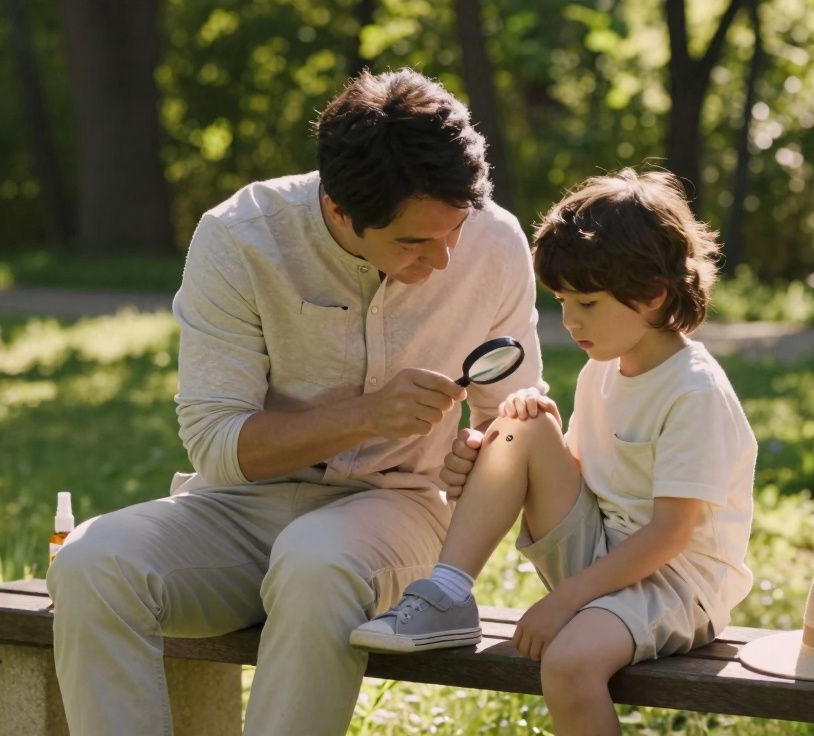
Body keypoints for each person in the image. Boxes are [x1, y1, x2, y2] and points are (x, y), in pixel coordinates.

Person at [46, 68, 546, 736]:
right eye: (414, 242)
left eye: (455, 228)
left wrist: (483, 450)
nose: (447, 259)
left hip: (396, 509)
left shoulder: (496, 243)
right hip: (237, 507)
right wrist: (367, 415)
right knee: (90, 563)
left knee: (316, 563)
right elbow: (217, 444)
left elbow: (513, 418)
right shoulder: (240, 237)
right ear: (339, 209)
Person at [352, 168, 757, 736]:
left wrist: (565, 600)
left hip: (672, 584)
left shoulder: (693, 390)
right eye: (563, 301)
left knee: (567, 663)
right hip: (603, 557)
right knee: (522, 420)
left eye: (587, 302)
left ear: (653, 294)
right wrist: (500, 454)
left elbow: (671, 533)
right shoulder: (602, 371)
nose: (570, 320)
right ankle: (446, 591)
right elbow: (583, 477)